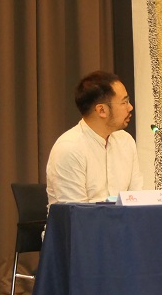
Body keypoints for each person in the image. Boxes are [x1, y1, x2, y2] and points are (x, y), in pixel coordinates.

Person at [46, 71, 143, 204]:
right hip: (83, 217)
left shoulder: (126, 141)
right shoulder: (69, 148)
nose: (130, 107)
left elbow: (137, 199)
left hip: (121, 218)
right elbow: (76, 211)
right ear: (101, 110)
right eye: (124, 102)